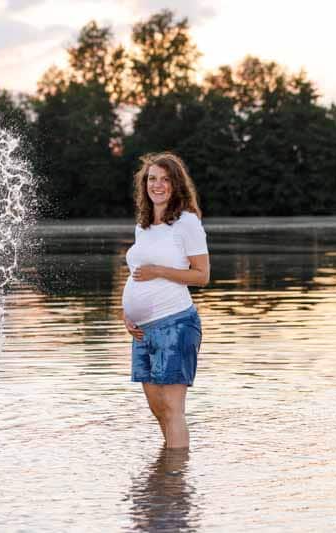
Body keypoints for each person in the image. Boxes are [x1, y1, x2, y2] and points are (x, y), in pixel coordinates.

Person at [122, 152, 210, 448]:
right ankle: (170, 469)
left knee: (172, 409)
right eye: (152, 179)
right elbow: (137, 272)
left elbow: (202, 275)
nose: (157, 185)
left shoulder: (187, 222)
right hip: (142, 331)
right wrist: (127, 313)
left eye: (165, 179)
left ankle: (175, 472)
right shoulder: (144, 225)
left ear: (176, 185)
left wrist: (159, 271)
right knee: (157, 408)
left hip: (175, 324)